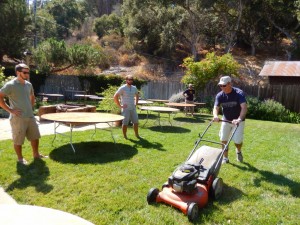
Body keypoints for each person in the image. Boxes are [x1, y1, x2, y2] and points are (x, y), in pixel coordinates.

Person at [0, 63, 47, 165]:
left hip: (30, 116)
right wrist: (10, 110)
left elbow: (32, 96)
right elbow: (0, 97)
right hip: (18, 118)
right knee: (18, 140)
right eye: (25, 72)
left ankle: (36, 154)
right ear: (18, 72)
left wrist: (31, 107)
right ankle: (20, 158)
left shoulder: (28, 84)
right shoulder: (10, 85)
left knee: (35, 137)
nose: (27, 74)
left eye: (28, 72)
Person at [213, 76, 247, 164]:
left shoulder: (239, 93)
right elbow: (216, 107)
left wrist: (239, 119)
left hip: (238, 121)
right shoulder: (220, 95)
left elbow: (244, 108)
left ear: (229, 84)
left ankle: (238, 151)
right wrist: (215, 116)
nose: (221, 87)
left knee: (237, 141)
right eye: (220, 85)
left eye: (224, 85)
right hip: (226, 119)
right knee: (223, 138)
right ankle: (225, 158)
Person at [114, 75, 140, 139]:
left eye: (131, 80)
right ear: (126, 80)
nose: (130, 81)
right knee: (125, 123)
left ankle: (137, 135)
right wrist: (120, 105)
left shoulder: (134, 88)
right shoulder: (122, 88)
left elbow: (137, 95)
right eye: (129, 79)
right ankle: (125, 136)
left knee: (136, 122)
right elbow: (115, 96)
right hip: (126, 109)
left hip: (133, 108)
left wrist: (136, 103)